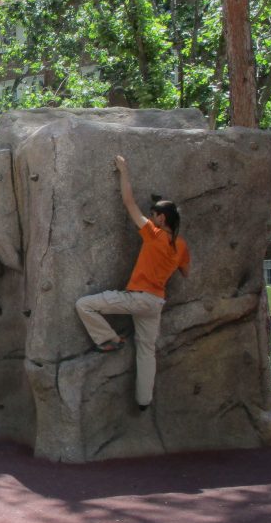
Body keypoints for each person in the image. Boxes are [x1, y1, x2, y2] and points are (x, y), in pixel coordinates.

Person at [75, 154, 191, 411]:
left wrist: (123, 170)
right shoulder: (180, 246)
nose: (150, 217)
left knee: (85, 305)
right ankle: (144, 401)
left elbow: (128, 202)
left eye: (153, 214)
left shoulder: (153, 234)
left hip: (137, 297)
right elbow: (185, 273)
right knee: (146, 351)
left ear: (161, 219)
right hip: (156, 302)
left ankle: (108, 339)